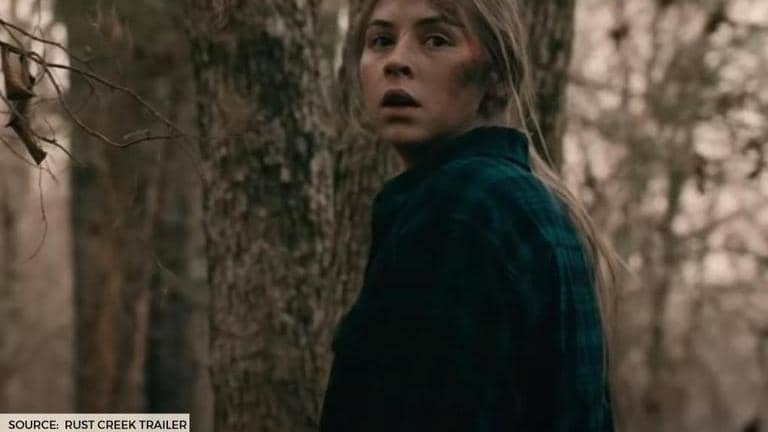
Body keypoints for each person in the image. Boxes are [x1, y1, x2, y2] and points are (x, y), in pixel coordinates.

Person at [319, 0, 623, 430]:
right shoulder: (524, 201)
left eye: (436, 40)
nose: (396, 61)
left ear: (495, 77)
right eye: (381, 40)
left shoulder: (461, 208)